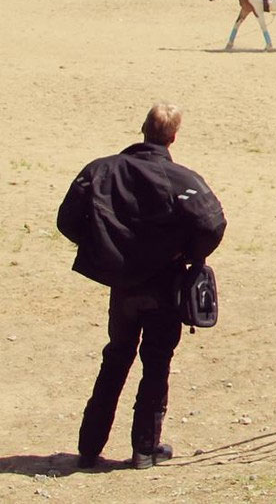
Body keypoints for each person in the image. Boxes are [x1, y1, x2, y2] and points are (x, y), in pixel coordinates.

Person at [57, 103, 227, 471]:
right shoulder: (182, 180)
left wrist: (106, 249)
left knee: (116, 358)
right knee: (156, 363)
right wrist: (189, 256)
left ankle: (89, 448)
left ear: (143, 129)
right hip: (164, 284)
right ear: (173, 136)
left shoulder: (102, 170)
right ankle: (145, 450)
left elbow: (67, 219)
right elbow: (213, 224)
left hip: (123, 288)